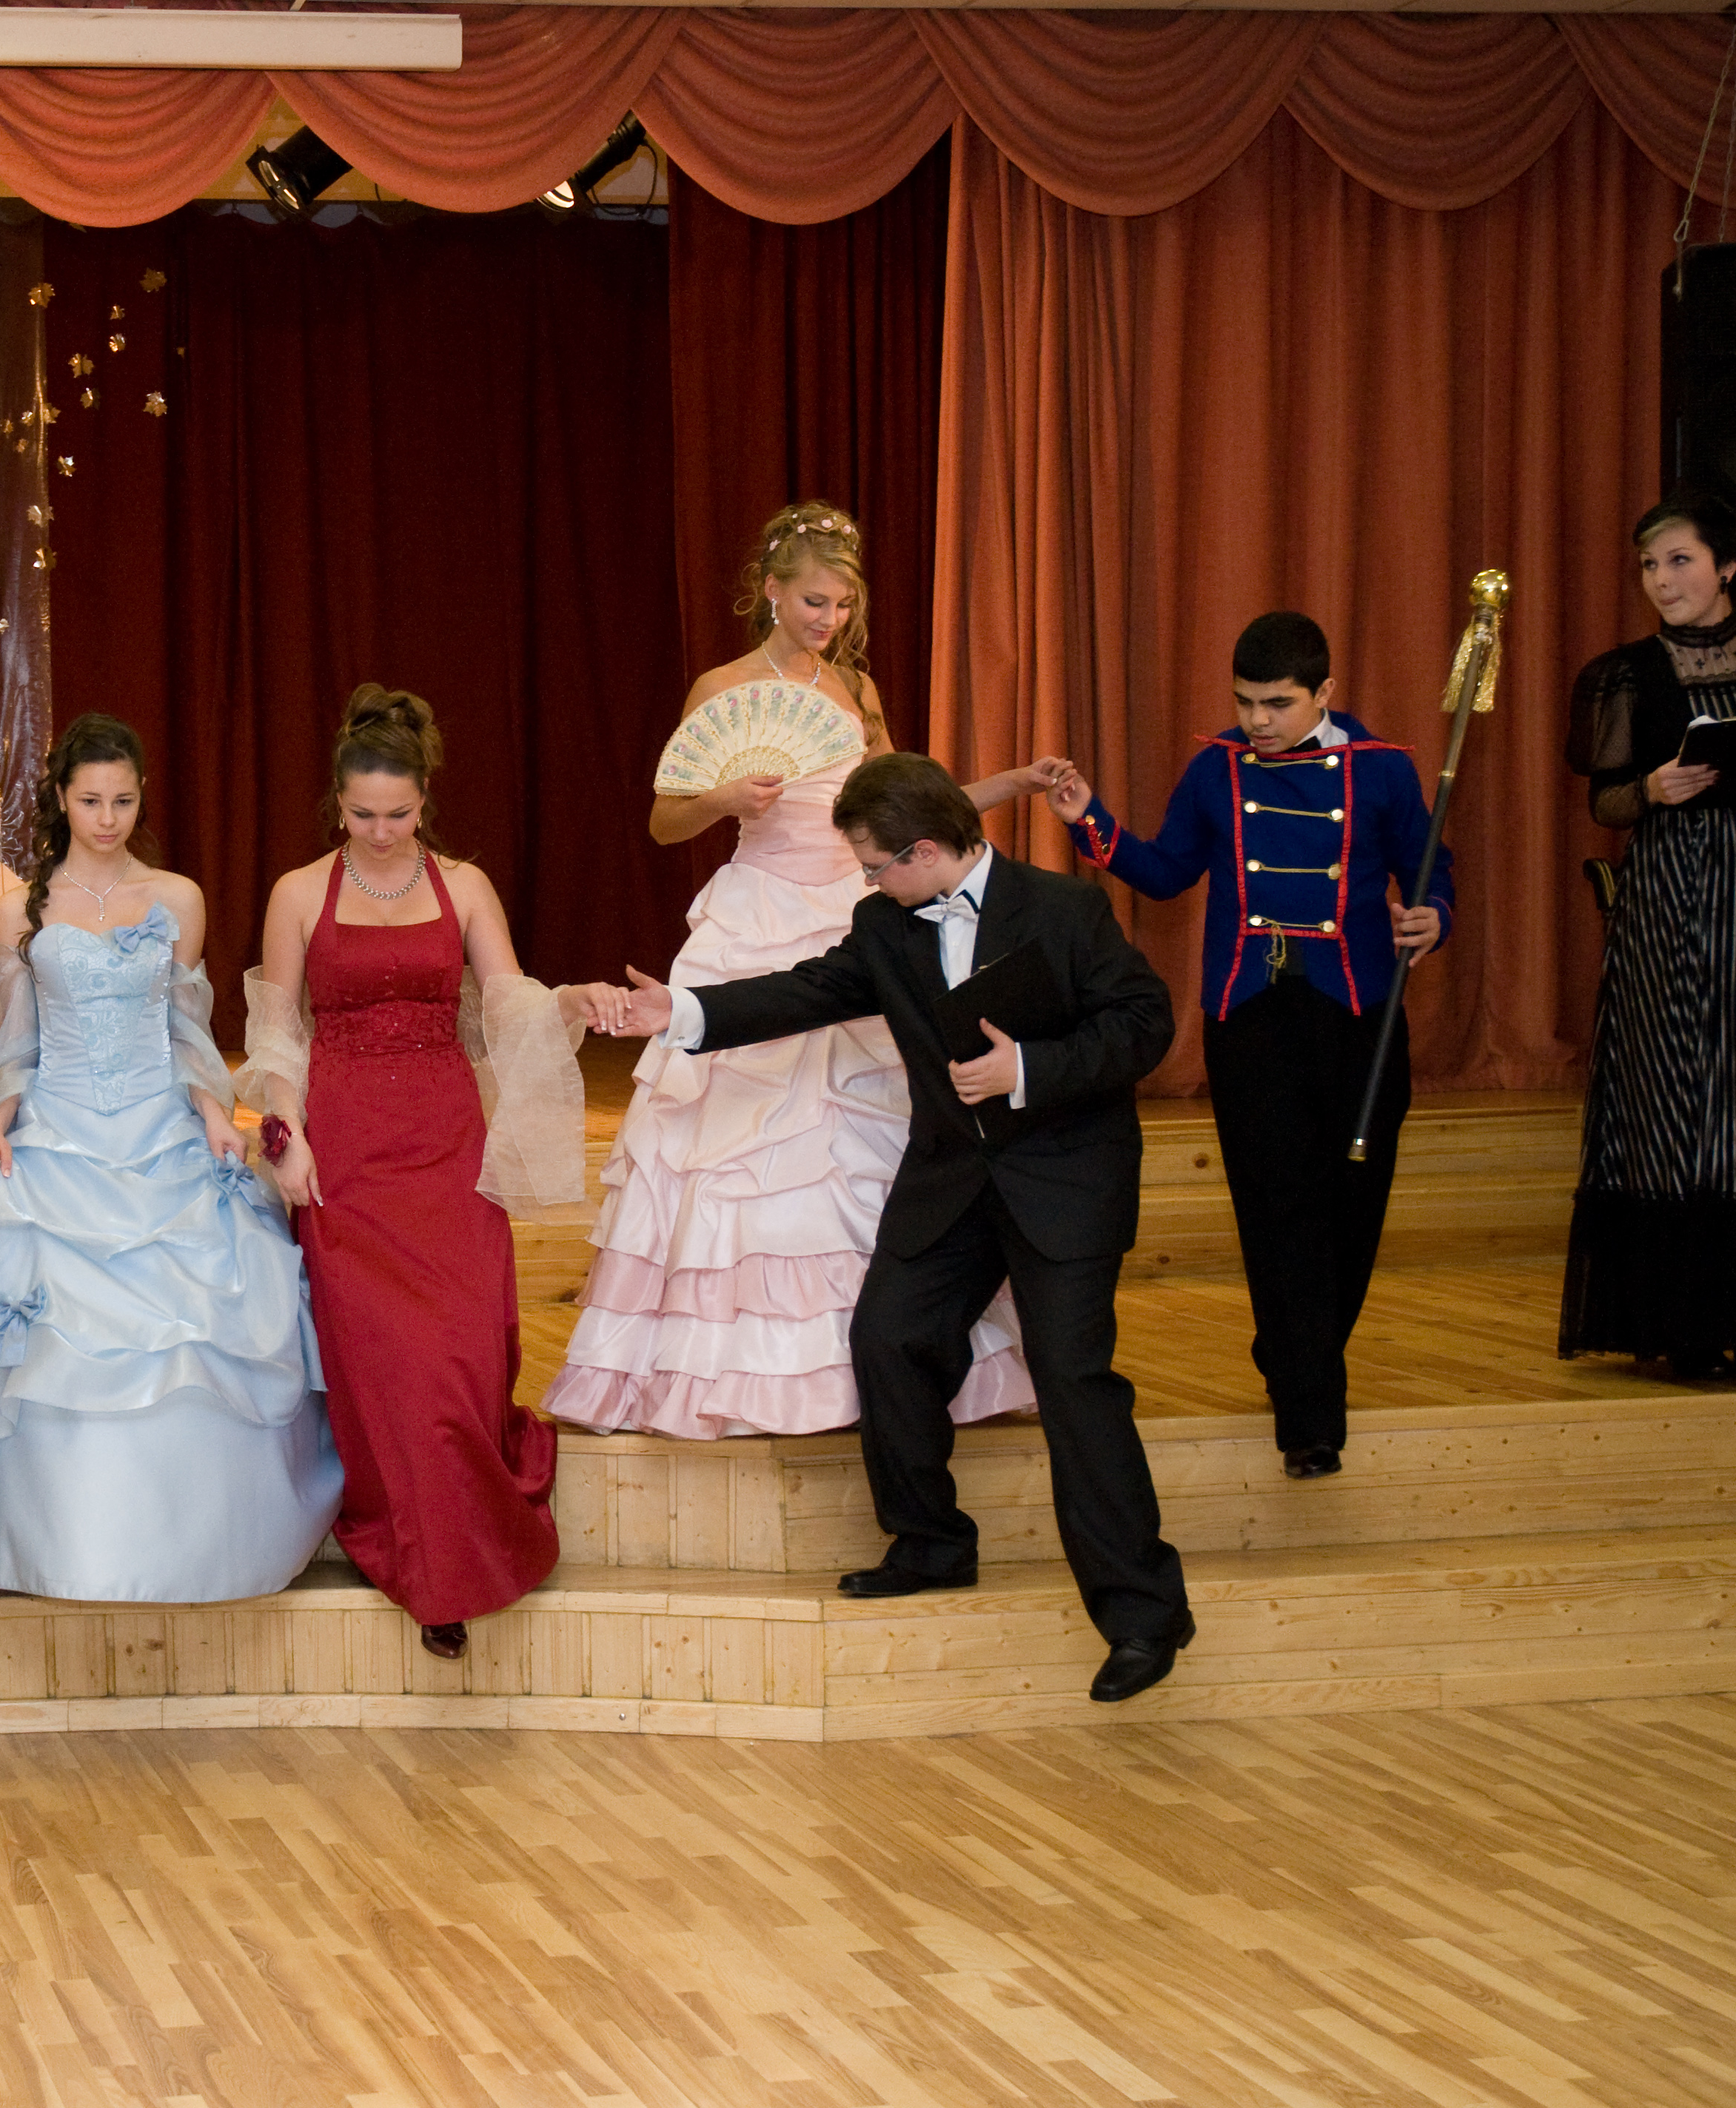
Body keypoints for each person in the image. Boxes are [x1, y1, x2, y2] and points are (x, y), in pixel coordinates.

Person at [616, 753, 1193, 1702]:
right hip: (952, 1181)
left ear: (924, 850)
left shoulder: (1064, 909)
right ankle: (931, 1542)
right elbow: (807, 990)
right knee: (888, 1338)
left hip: (1063, 1182)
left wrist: (1027, 1070)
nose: (866, 879)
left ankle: (1142, 1615)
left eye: (874, 864)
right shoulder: (884, 924)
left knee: (1074, 1382)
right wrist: (678, 1010)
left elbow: (1143, 1024)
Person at [545, 501, 1048, 1441]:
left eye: (843, 606)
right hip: (758, 915)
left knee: (871, 1134)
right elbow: (664, 820)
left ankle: (890, 1363)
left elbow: (911, 805)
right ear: (771, 591)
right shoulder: (723, 686)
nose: (830, 619)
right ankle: (745, 1371)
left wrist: (1011, 784)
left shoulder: (855, 691)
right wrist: (726, 795)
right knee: (739, 1143)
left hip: (854, 912)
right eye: (816, 601)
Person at [0, 715, 339, 1602]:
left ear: (139, 798)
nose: (106, 817)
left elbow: (186, 1025)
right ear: (60, 798)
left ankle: (198, 1536)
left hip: (160, 1122)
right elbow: (13, 1035)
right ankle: (37, 1538)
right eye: (90, 800)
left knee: (197, 1318)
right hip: (58, 1127)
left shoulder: (178, 897)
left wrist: (215, 1114)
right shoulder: (23, 906)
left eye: (122, 800)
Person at [243, 685, 625, 1662]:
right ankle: (430, 1570)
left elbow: (508, 1004)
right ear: (337, 803)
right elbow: (277, 1033)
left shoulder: (466, 886)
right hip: (347, 1153)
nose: (380, 833)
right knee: (389, 1371)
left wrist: (572, 1000)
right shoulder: (297, 893)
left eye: (398, 815)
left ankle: (455, 1539)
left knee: (459, 1360)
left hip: (449, 1147)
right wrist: (286, 1133)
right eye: (362, 815)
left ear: (424, 801)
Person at [1043, 611, 1452, 1475]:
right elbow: (1165, 873)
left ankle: (1293, 1350)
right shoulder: (1216, 770)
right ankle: (1309, 1418)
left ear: (1323, 692)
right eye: (1244, 702)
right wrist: (1090, 820)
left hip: (1359, 1012)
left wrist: (1432, 915)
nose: (1257, 720)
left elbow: (1429, 867)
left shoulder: (1381, 769)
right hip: (1251, 1014)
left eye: (1277, 703)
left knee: (1354, 1210)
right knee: (1276, 1212)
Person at [1564, 491, 1736, 1379]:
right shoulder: (1625, 675)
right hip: (1669, 899)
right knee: (1672, 1097)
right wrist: (1652, 791)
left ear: (1726, 566)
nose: (1661, 580)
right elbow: (1604, 800)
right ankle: (1680, 1324)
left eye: (1678, 560)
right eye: (1648, 565)